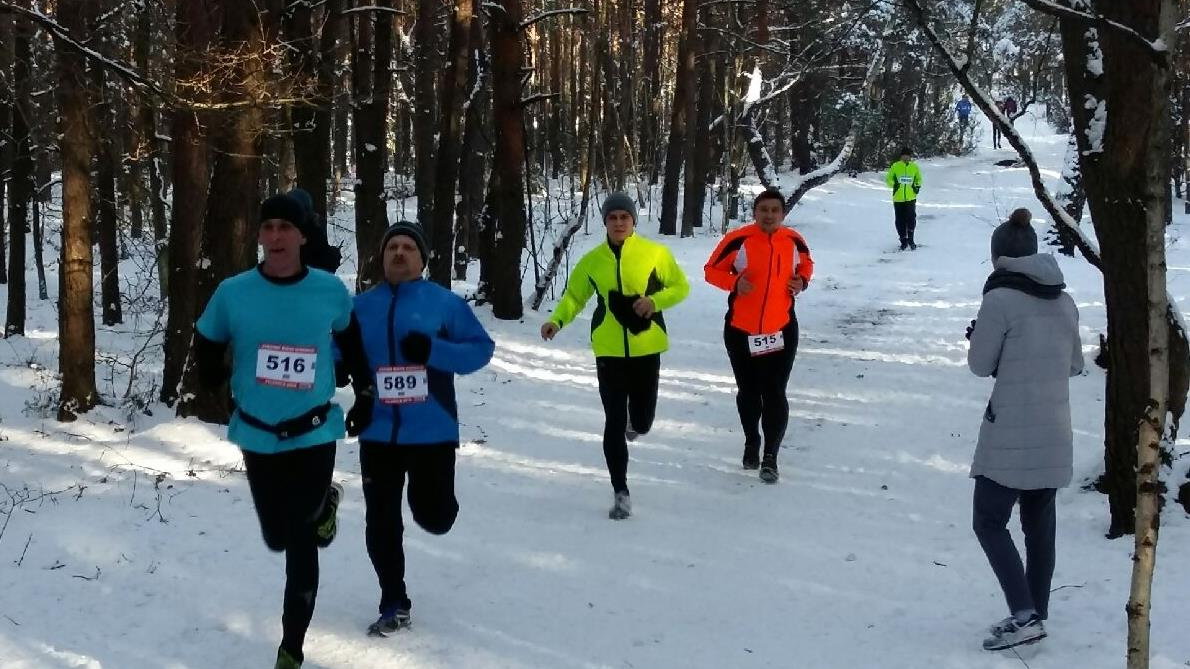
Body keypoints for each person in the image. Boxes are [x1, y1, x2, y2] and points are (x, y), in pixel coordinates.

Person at [193, 194, 374, 669]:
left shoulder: (329, 291)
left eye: (285, 228)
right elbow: (207, 335)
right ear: (259, 235)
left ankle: (291, 648)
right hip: (256, 432)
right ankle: (325, 506)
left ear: (301, 236)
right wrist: (209, 375)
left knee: (297, 538)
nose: (276, 236)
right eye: (268, 227)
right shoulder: (234, 292)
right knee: (275, 534)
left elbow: (352, 340)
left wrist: (366, 395)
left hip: (314, 430)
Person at [344, 221, 495, 636]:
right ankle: (394, 600)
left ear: (422, 259)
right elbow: (338, 352)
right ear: (382, 256)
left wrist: (433, 350)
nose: (399, 253)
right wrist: (340, 370)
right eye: (392, 246)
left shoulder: (443, 304)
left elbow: (481, 349)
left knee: (435, 518)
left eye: (408, 247)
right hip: (378, 432)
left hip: (432, 430)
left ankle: (436, 506)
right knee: (381, 521)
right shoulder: (360, 307)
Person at [966, 208, 1083, 652]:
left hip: (1010, 432)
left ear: (998, 257)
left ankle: (1024, 613)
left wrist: (981, 339)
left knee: (989, 520)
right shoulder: (1064, 300)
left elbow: (980, 365)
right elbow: (1074, 364)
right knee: (1040, 528)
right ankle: (1036, 612)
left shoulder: (998, 300)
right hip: (1054, 430)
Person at [540, 192, 689, 519]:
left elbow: (680, 287)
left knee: (643, 420)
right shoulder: (592, 261)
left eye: (625, 217)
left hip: (647, 347)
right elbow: (574, 296)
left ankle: (638, 423)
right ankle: (620, 491)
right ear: (605, 221)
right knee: (614, 420)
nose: (619, 223)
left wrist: (655, 302)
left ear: (633, 221)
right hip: (608, 349)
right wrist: (556, 320)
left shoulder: (654, 253)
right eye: (613, 218)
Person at [703, 188, 814, 483]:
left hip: (781, 329)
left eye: (774, 211)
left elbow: (806, 264)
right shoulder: (738, 240)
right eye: (763, 210)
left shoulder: (793, 240)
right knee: (750, 392)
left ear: (782, 214)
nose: (769, 216)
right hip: (742, 330)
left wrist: (802, 280)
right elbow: (711, 271)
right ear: (755, 213)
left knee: (775, 392)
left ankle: (771, 457)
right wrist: (734, 283)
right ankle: (752, 439)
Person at [884, 146, 923, 250]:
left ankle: (911, 239)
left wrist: (916, 186)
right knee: (900, 220)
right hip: (898, 198)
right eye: (904, 156)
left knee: (911, 219)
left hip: (910, 198)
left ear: (910, 157)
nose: (906, 158)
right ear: (901, 156)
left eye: (908, 156)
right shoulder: (895, 166)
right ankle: (903, 240)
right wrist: (894, 184)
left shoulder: (914, 167)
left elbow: (919, 178)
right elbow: (888, 179)